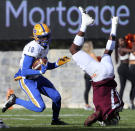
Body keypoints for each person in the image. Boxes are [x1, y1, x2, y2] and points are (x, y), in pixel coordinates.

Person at [2, 23, 70, 125]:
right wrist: (39, 71)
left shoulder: (45, 47)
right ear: (37, 37)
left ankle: (55, 120)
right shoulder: (33, 48)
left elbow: (44, 66)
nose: (46, 39)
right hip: (27, 79)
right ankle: (15, 100)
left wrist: (57, 63)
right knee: (40, 107)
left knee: (56, 97)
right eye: (43, 37)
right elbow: (25, 71)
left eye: (47, 36)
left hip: (37, 77)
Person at [69, 7, 124, 126]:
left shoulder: (119, 105)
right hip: (100, 76)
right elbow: (89, 120)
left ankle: (114, 25)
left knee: (108, 51)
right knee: (74, 49)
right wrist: (90, 122)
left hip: (109, 73)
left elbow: (116, 106)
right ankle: (84, 23)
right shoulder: (104, 113)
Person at [115, 37, 135, 109]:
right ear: (118, 43)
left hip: (124, 68)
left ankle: (119, 104)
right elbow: (132, 50)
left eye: (123, 41)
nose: (122, 42)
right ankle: (131, 101)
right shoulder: (120, 49)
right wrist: (133, 44)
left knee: (122, 87)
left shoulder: (124, 48)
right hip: (123, 69)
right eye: (120, 41)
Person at [82, 41, 98, 110]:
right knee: (95, 90)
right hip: (92, 74)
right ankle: (96, 105)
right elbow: (97, 63)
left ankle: (86, 104)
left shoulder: (83, 55)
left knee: (87, 90)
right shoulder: (91, 54)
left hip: (86, 74)